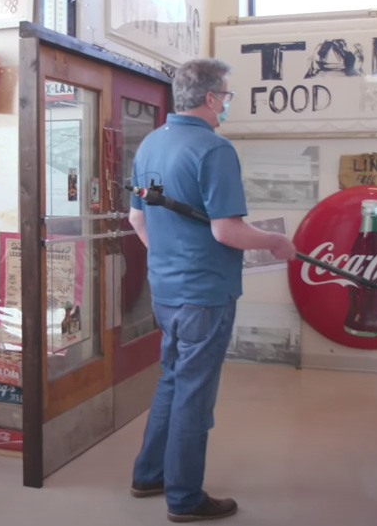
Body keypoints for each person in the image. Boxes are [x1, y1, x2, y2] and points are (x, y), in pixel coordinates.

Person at [127, 58, 296, 522]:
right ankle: (184, 498)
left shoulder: (150, 144)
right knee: (194, 392)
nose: (226, 103)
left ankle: (149, 475)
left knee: (172, 378)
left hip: (165, 288)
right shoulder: (213, 149)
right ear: (210, 97)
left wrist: (166, 256)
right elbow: (227, 231)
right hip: (204, 292)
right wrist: (276, 242)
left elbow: (137, 217)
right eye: (226, 95)